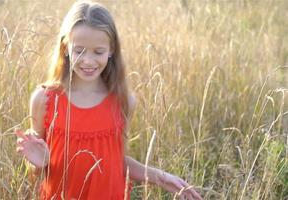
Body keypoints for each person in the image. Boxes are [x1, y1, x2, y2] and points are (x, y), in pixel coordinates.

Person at [16, 1, 202, 199]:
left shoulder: (123, 102)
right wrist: (38, 163)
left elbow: (115, 160)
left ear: (112, 50)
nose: (88, 61)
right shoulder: (45, 99)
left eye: (98, 52)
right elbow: (35, 166)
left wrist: (162, 178)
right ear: (65, 47)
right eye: (79, 50)